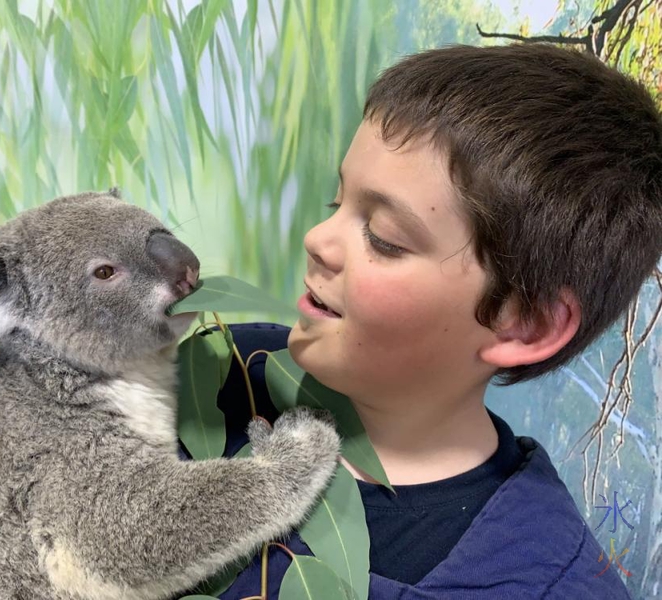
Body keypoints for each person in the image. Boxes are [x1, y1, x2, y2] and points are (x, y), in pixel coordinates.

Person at [192, 43, 662, 599]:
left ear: (525, 324)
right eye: (334, 202)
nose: (316, 241)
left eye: (384, 237)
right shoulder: (227, 365)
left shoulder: (545, 584)